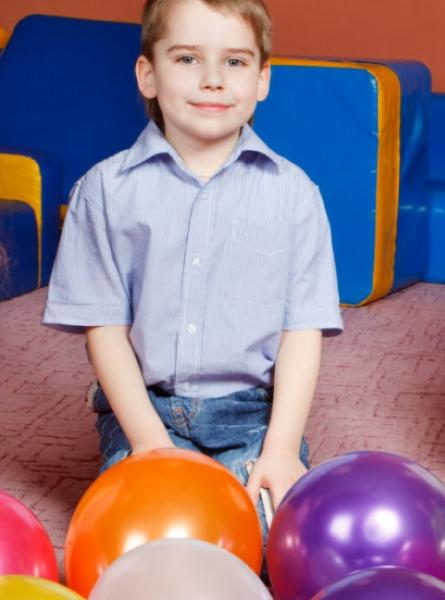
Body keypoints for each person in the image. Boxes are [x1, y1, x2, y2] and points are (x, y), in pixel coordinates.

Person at [42, 0, 342, 538]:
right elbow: (103, 328)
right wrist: (150, 444)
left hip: (253, 413)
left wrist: (278, 449)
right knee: (155, 535)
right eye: (186, 59)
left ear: (262, 80)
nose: (212, 80)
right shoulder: (105, 191)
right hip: (145, 407)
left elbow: (303, 331)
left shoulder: (295, 195)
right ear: (148, 75)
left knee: (273, 537)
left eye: (234, 62)